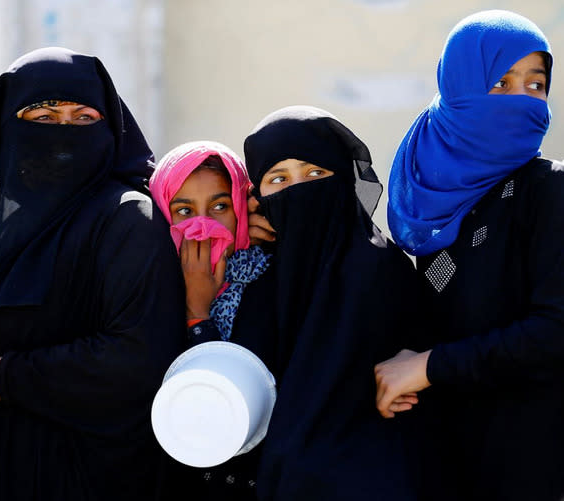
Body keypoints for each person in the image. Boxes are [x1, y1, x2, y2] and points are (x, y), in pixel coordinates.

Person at [0, 47, 186, 501]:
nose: (65, 134)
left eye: (84, 118)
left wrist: (4, 378)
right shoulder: (13, 233)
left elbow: (139, 359)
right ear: (8, 130)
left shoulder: (126, 218)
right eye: (44, 118)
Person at [377, 9, 564, 500]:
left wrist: (427, 366)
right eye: (500, 83)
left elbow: (555, 332)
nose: (523, 100)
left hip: (533, 465)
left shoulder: (549, 192)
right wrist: (411, 355)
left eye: (536, 84)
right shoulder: (441, 201)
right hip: (454, 459)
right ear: (458, 86)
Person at [242, 105, 424, 500]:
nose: (300, 187)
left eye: (316, 173)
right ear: (259, 198)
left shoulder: (378, 267)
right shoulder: (262, 277)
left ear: (342, 179)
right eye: (279, 178)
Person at [149, 140, 272, 499]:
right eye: (184, 211)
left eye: (220, 205)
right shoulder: (143, 287)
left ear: (240, 209)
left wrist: (198, 314)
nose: (203, 226)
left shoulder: (272, 278)